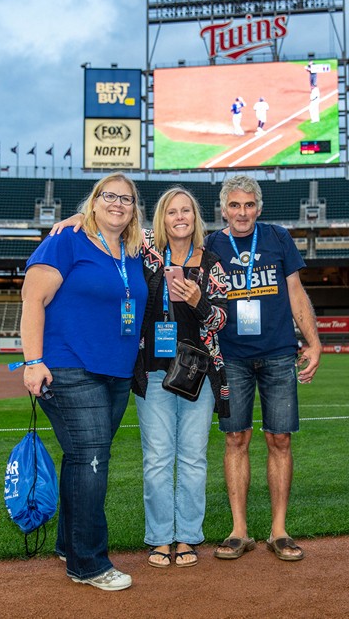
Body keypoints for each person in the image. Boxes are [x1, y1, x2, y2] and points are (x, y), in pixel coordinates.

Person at [53, 187, 232, 570]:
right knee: (156, 458)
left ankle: (187, 536)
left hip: (197, 373)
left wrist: (198, 300)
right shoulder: (144, 249)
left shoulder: (213, 264)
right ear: (161, 219)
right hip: (152, 369)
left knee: (194, 458)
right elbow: (105, 223)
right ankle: (160, 537)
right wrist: (74, 220)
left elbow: (221, 321)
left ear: (195, 218)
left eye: (186, 211)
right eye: (171, 211)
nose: (179, 217)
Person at [19, 173, 149, 592]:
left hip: (116, 371)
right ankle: (89, 563)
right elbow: (32, 298)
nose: (117, 204)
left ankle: (67, 544)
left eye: (126, 199)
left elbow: (182, 230)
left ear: (134, 209)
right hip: (69, 366)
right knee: (93, 459)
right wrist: (33, 361)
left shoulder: (133, 249)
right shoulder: (66, 240)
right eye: (108, 196)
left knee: (82, 458)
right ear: (93, 202)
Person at [204, 174, 321, 563]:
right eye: (235, 205)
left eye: (249, 205)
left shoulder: (277, 237)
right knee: (235, 439)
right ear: (223, 208)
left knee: (280, 440)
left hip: (277, 352)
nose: (242, 212)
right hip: (231, 355)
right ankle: (239, 531)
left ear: (259, 207)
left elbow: (295, 292)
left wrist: (314, 341)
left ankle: (279, 531)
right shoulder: (212, 244)